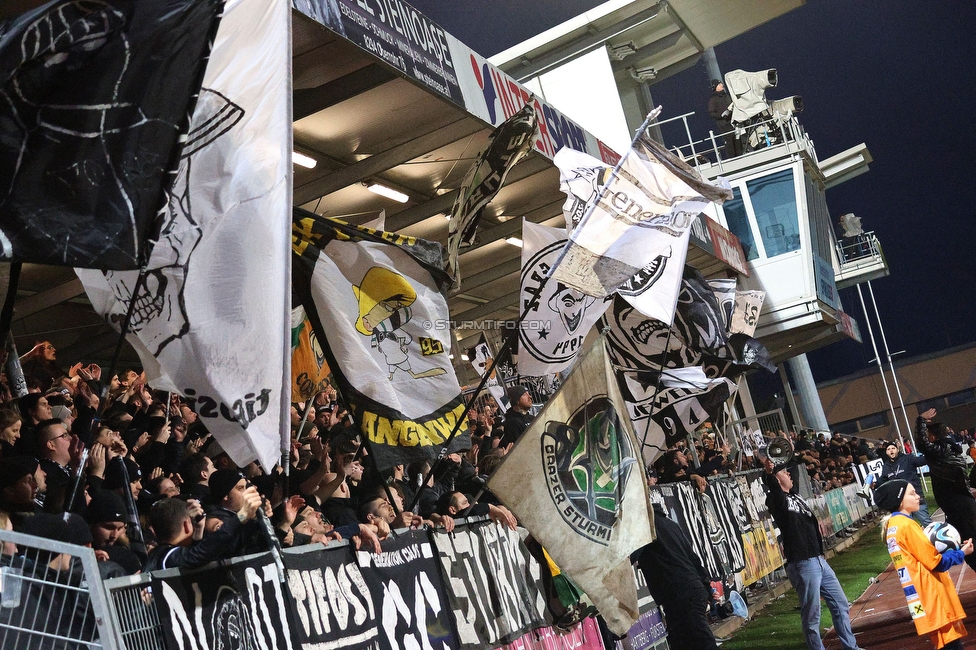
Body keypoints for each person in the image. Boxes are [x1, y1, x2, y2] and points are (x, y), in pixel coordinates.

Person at [761, 456, 863, 650]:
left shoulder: (795, 494)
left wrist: (787, 452)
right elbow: (774, 487)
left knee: (840, 603)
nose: (790, 473)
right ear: (774, 478)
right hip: (802, 563)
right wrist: (768, 473)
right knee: (812, 615)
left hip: (818, 561)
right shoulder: (776, 500)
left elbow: (794, 469)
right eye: (784, 472)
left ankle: (851, 647)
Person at [876, 479, 971, 650]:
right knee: (951, 645)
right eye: (912, 493)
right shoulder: (907, 526)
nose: (918, 496)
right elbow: (936, 563)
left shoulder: (893, 526)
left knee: (945, 644)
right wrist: (961, 553)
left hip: (919, 597)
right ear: (899, 500)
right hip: (932, 595)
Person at [634, 502, 718, 649]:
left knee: (701, 641)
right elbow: (693, 558)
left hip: (681, 594)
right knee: (687, 641)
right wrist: (706, 588)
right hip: (687, 592)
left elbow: (628, 557)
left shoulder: (646, 529)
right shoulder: (670, 525)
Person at [913, 408, 976, 573]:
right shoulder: (949, 448)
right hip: (959, 506)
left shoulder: (941, 450)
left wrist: (920, 420)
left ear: (933, 437)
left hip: (959, 507)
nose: (926, 439)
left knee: (968, 546)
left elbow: (922, 444)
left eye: (928, 435)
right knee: (965, 547)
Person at [876, 440, 931, 525]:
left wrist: (932, 454)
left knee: (926, 523)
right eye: (888, 449)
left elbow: (921, 461)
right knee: (907, 526)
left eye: (893, 448)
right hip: (901, 502)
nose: (891, 450)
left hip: (914, 497)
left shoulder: (908, 458)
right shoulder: (886, 466)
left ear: (898, 450)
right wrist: (874, 484)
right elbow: (883, 480)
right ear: (886, 452)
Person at [707, 79, 741, 158]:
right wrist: (721, 115)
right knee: (729, 141)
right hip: (724, 124)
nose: (722, 85)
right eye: (719, 84)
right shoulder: (713, 99)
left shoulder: (726, 95)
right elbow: (711, 113)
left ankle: (740, 155)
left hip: (733, 121)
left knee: (737, 139)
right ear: (716, 87)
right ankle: (732, 159)